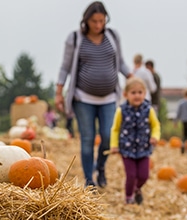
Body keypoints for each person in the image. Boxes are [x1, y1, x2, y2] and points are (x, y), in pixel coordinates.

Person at [55, 1, 132, 187]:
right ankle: (89, 180)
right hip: (83, 98)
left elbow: (120, 62)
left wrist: (131, 77)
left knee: (107, 136)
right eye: (94, 21)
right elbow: (65, 67)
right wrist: (59, 92)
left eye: (101, 21)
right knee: (87, 139)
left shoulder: (112, 36)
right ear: (86, 21)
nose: (98, 25)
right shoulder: (75, 39)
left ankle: (101, 168)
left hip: (109, 98)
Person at [109, 77, 160, 205]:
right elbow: (115, 129)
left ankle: (137, 188)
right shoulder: (121, 110)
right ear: (126, 94)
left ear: (144, 93)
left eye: (140, 92)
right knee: (131, 175)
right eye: (133, 93)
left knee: (144, 175)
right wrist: (114, 145)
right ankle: (129, 196)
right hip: (127, 149)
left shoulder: (149, 110)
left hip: (144, 148)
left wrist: (155, 136)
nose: (137, 95)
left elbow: (155, 125)